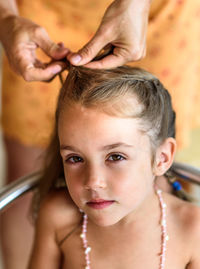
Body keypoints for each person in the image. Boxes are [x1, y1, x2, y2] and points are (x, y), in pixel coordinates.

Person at [28, 65, 200, 268]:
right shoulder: (58, 217)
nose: (93, 182)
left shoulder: (192, 230)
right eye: (75, 158)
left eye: (115, 156)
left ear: (161, 158)